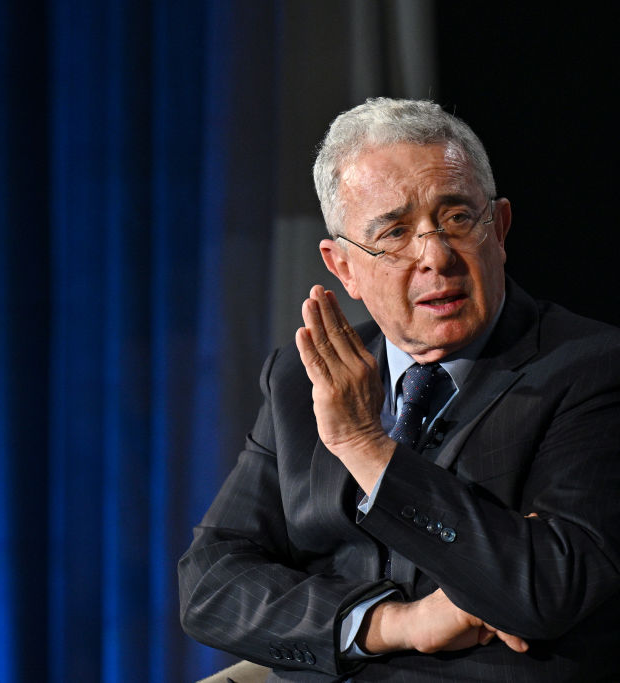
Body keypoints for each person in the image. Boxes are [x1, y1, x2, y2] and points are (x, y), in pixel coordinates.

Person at [178, 97, 620, 681]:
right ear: (343, 269)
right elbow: (210, 583)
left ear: (501, 228)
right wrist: (392, 623)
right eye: (394, 233)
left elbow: (541, 590)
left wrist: (367, 446)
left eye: (459, 217)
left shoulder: (591, 369)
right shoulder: (304, 376)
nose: (436, 256)